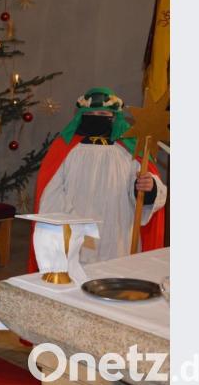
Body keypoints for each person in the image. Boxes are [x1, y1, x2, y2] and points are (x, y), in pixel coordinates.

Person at [28, 87, 167, 271]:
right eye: (91, 113)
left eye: (103, 113)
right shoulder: (66, 148)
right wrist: (68, 222)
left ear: (115, 117)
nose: (97, 117)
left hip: (117, 234)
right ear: (81, 116)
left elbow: (150, 187)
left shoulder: (130, 150)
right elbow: (50, 191)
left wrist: (149, 188)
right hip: (77, 231)